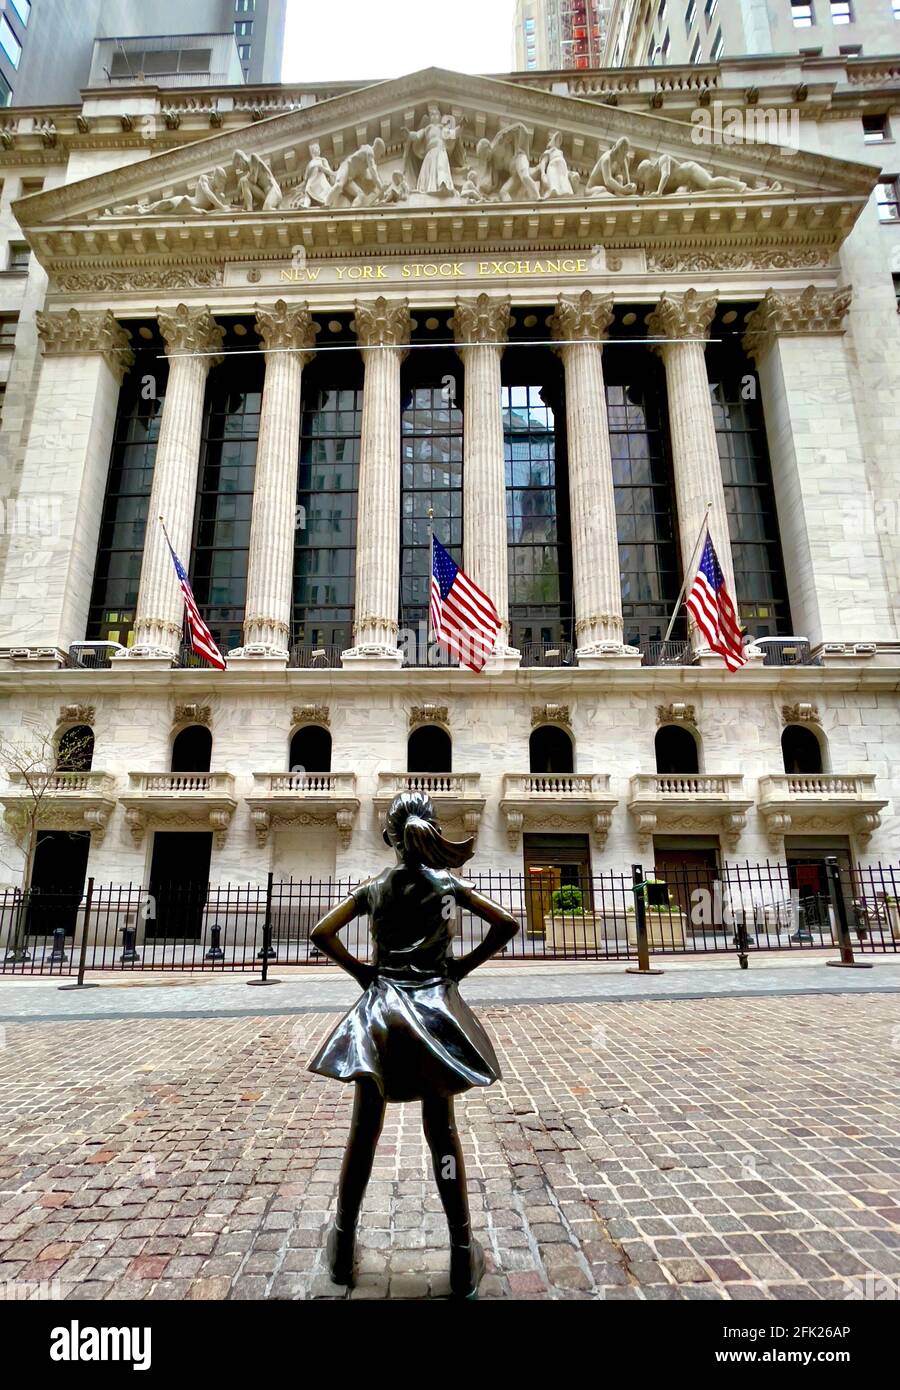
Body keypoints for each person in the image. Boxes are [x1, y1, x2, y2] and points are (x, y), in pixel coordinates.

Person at [307, 791, 519, 1298]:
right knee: (441, 1133)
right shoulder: (446, 884)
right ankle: (462, 1256)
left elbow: (321, 933)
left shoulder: (376, 887)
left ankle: (341, 1247)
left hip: (381, 1013)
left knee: (364, 1133)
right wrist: (458, 970)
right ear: (429, 830)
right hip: (433, 1015)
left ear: (390, 838)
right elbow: (506, 925)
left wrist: (365, 974)